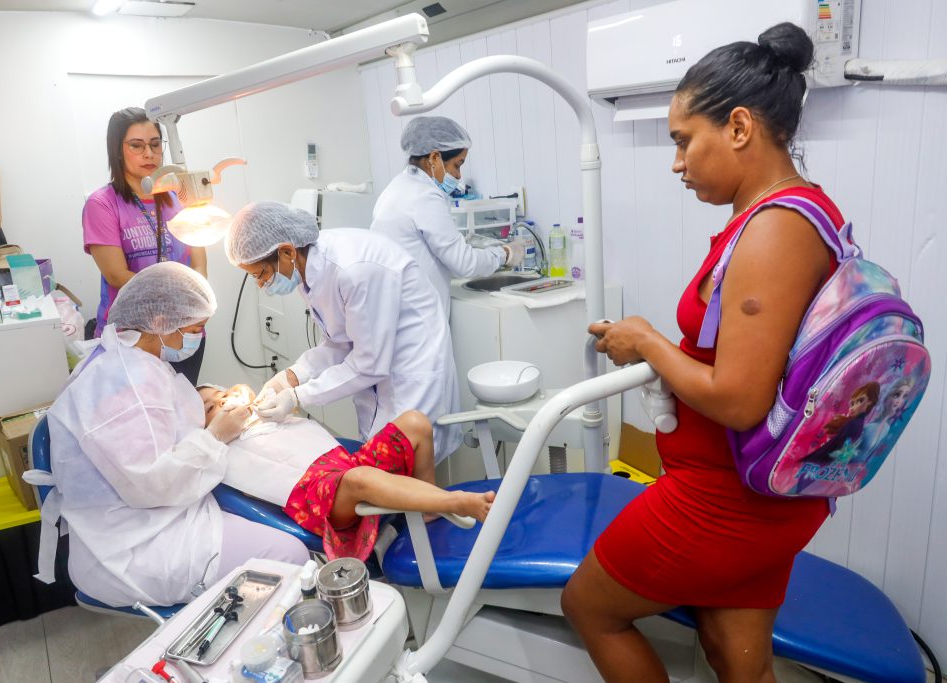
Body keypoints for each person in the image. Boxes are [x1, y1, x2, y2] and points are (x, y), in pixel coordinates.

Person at [561, 24, 841, 682]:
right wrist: (656, 349)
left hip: (726, 499)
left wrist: (648, 342)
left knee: (589, 607)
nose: (677, 162)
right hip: (755, 490)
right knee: (734, 655)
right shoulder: (783, 217)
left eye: (683, 140)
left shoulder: (777, 229)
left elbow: (739, 400)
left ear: (739, 127)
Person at [32, 263, 308, 608]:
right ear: (161, 322)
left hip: (143, 520)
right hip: (134, 549)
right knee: (289, 555)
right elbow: (152, 482)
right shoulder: (127, 382)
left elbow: (166, 423)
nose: (199, 338)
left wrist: (221, 409)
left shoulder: (130, 356)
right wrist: (215, 436)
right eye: (195, 329)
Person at [225, 201, 463, 463]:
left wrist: (298, 396)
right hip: (379, 368)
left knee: (405, 466)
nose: (261, 284)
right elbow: (339, 340)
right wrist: (292, 377)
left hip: (411, 365)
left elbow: (369, 363)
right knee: (381, 467)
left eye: (261, 273)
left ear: (286, 252)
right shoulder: (307, 271)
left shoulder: (353, 269)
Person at [198, 385, 494, 561]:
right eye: (211, 407)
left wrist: (243, 398)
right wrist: (215, 435)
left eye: (223, 393)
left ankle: (429, 511)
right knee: (358, 478)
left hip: (346, 465)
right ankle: (453, 502)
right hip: (317, 498)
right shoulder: (221, 450)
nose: (223, 401)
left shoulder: (268, 414)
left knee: (415, 422)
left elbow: (246, 390)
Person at [82, 106, 209, 384]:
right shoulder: (102, 204)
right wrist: (179, 300)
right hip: (132, 339)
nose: (149, 154)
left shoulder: (178, 196)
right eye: (137, 146)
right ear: (117, 150)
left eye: (155, 144)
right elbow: (116, 275)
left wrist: (199, 304)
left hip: (183, 334)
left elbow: (198, 258)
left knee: (184, 406)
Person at [370, 116, 524, 314]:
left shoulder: (396, 187)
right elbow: (464, 264)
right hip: (419, 316)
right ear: (434, 158)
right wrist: (505, 254)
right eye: (457, 165)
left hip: (395, 308)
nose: (459, 176)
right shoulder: (425, 196)